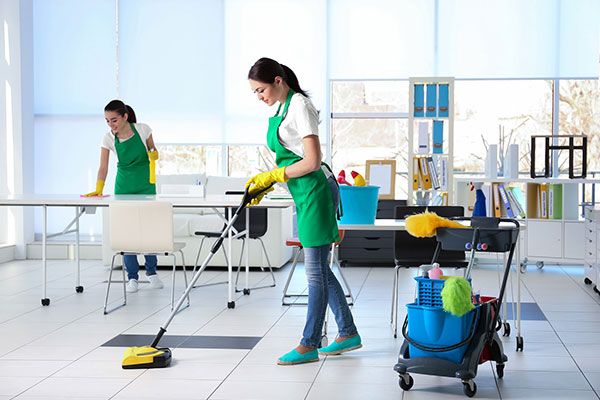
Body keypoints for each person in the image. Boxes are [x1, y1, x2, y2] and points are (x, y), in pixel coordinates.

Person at [246, 58, 361, 365]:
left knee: (314, 272)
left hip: (317, 192)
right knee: (319, 269)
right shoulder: (280, 109)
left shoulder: (299, 106)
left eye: (261, 89)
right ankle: (347, 331)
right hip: (304, 193)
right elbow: (291, 160)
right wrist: (268, 183)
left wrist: (275, 176)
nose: (259, 96)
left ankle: (309, 343)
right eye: (255, 92)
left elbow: (311, 161)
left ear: (278, 81)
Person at [83, 100, 164, 293]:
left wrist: (154, 155)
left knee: (148, 231)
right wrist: (99, 187)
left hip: (146, 185)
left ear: (125, 116)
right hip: (124, 186)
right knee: (128, 233)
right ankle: (132, 278)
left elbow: (153, 151)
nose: (111, 125)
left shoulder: (143, 130)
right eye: (107, 121)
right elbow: (103, 166)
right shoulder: (108, 138)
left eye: (114, 120)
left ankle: (152, 273)